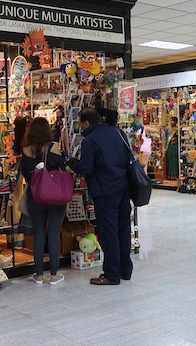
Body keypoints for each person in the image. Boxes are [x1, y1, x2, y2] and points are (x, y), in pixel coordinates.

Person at [68, 108, 132, 285]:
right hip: (124, 188)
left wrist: (72, 163)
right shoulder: (118, 133)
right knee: (123, 229)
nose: (80, 126)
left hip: (105, 191)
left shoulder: (90, 140)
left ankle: (111, 274)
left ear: (86, 123)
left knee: (108, 233)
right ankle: (125, 270)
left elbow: (86, 168)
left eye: (80, 123)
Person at [20, 117, 67, 285]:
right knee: (53, 233)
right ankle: (54, 275)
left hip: (36, 196)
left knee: (39, 233)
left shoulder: (25, 150)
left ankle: (39, 275)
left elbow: (26, 174)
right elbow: (63, 167)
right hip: (55, 197)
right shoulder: (54, 147)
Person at [165, 116, 179, 180]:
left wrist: (175, 139)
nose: (171, 122)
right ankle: (169, 175)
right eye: (171, 120)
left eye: (173, 121)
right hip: (168, 147)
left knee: (174, 161)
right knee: (168, 160)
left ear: (176, 122)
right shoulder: (167, 129)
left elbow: (179, 138)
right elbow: (165, 137)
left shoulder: (177, 129)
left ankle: (174, 175)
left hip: (174, 147)